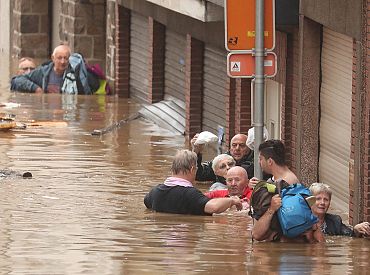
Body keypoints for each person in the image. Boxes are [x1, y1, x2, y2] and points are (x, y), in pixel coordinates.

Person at [144, 149, 242, 215]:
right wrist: (232, 200)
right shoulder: (190, 194)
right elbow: (214, 208)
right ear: (192, 169)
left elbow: (147, 203)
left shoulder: (155, 191)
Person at [10, 44, 98, 94]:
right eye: (59, 58)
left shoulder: (77, 74)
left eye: (66, 58)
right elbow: (16, 80)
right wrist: (35, 88)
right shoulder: (43, 72)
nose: (63, 62)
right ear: (53, 58)